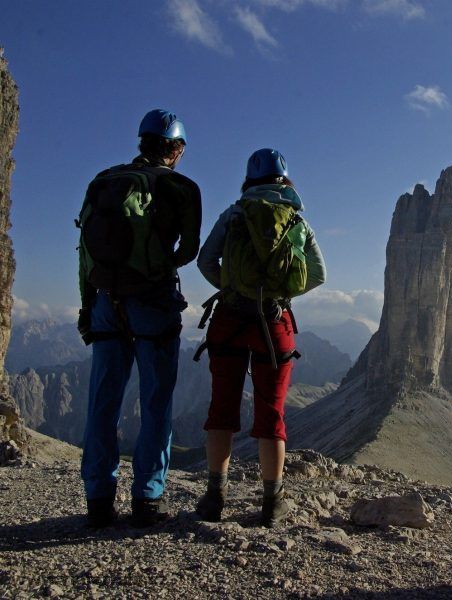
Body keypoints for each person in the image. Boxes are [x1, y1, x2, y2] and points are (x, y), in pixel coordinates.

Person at [77, 109, 202, 528]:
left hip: (104, 302)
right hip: (152, 303)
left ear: (142, 141)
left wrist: (86, 306)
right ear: (177, 149)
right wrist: (158, 264)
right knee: (155, 401)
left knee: (102, 402)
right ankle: (147, 499)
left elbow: (85, 252)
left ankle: (98, 499)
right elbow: (189, 250)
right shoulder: (181, 187)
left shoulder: (104, 181)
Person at [195, 148, 325, 526]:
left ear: (249, 180)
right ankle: (273, 503)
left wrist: (232, 288)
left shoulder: (234, 214)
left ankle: (215, 497)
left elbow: (205, 261)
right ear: (285, 179)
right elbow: (318, 275)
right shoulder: (297, 220)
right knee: (272, 413)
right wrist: (279, 297)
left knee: (222, 409)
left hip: (230, 319)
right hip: (274, 325)